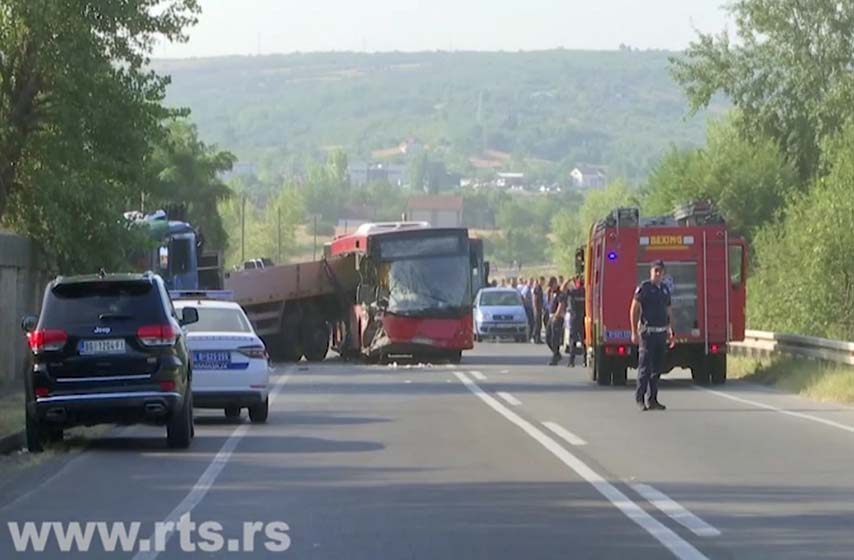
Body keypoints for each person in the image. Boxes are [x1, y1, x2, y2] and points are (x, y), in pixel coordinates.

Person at [630, 260, 674, 411]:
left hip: (661, 333)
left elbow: (668, 311)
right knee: (644, 368)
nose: (657, 274)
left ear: (663, 274)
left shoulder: (665, 289)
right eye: (655, 271)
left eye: (660, 272)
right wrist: (634, 331)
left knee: (657, 369)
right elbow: (634, 309)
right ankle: (640, 398)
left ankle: (653, 399)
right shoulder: (644, 288)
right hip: (647, 333)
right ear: (651, 272)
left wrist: (670, 330)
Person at [548, 280, 570, 365]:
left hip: (557, 318)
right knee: (548, 338)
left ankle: (555, 357)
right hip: (551, 317)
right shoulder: (552, 293)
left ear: (555, 284)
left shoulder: (560, 294)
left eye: (551, 286)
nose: (550, 288)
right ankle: (557, 354)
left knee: (555, 339)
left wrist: (556, 316)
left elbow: (561, 306)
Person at [567, 276, 586, 367]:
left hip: (574, 318)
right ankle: (585, 360)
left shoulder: (573, 292)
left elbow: (563, 289)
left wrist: (569, 280)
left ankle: (571, 361)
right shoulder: (585, 292)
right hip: (583, 318)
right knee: (584, 340)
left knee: (573, 340)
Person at [532, 277, 545, 344]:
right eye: (542, 281)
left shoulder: (540, 288)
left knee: (539, 323)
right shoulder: (537, 288)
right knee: (538, 324)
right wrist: (537, 308)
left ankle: (536, 336)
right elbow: (535, 299)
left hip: (539, 308)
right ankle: (537, 338)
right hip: (537, 309)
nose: (543, 283)